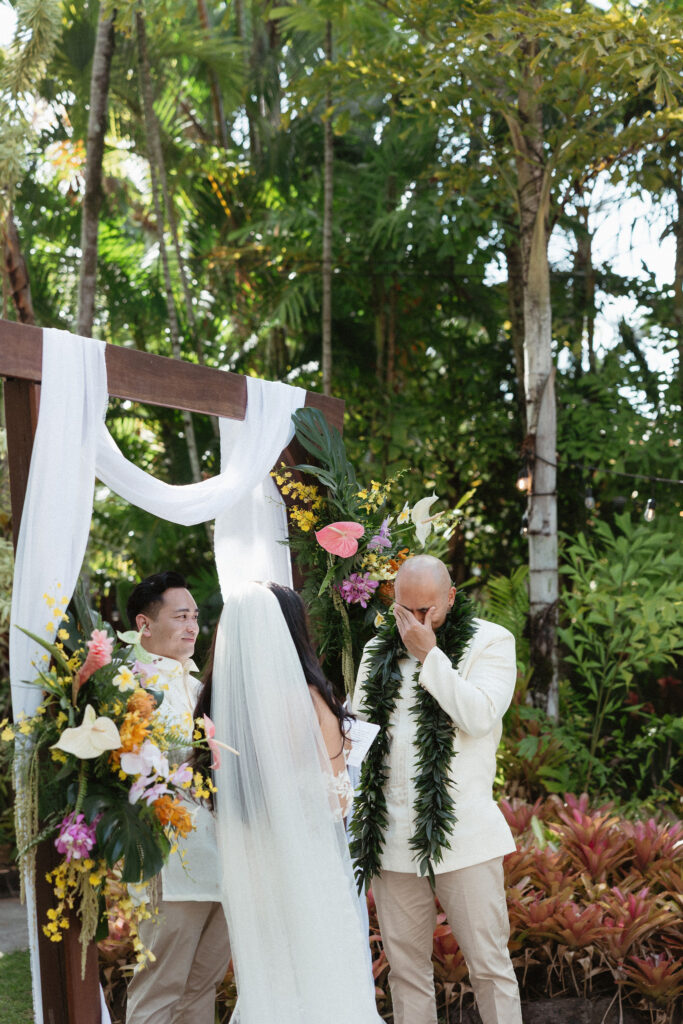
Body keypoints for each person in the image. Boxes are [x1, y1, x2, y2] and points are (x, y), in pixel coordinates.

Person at [351, 554, 522, 1024]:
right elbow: (359, 736)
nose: (417, 621)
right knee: (405, 972)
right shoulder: (375, 651)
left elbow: (479, 715)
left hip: (463, 836)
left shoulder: (491, 641)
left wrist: (430, 654)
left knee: (489, 966)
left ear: (450, 597)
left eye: (428, 611)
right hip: (391, 838)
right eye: (407, 611)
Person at [205, 581, 382, 1023]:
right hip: (309, 864)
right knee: (324, 974)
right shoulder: (305, 698)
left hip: (255, 863)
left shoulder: (222, 704)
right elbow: (338, 802)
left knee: (276, 975)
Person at [125, 571, 231, 1024]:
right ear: (144, 624)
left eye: (196, 616)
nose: (192, 626)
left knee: (201, 987)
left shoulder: (202, 682)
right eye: (180, 616)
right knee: (161, 988)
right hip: (170, 860)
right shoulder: (129, 683)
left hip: (223, 856)